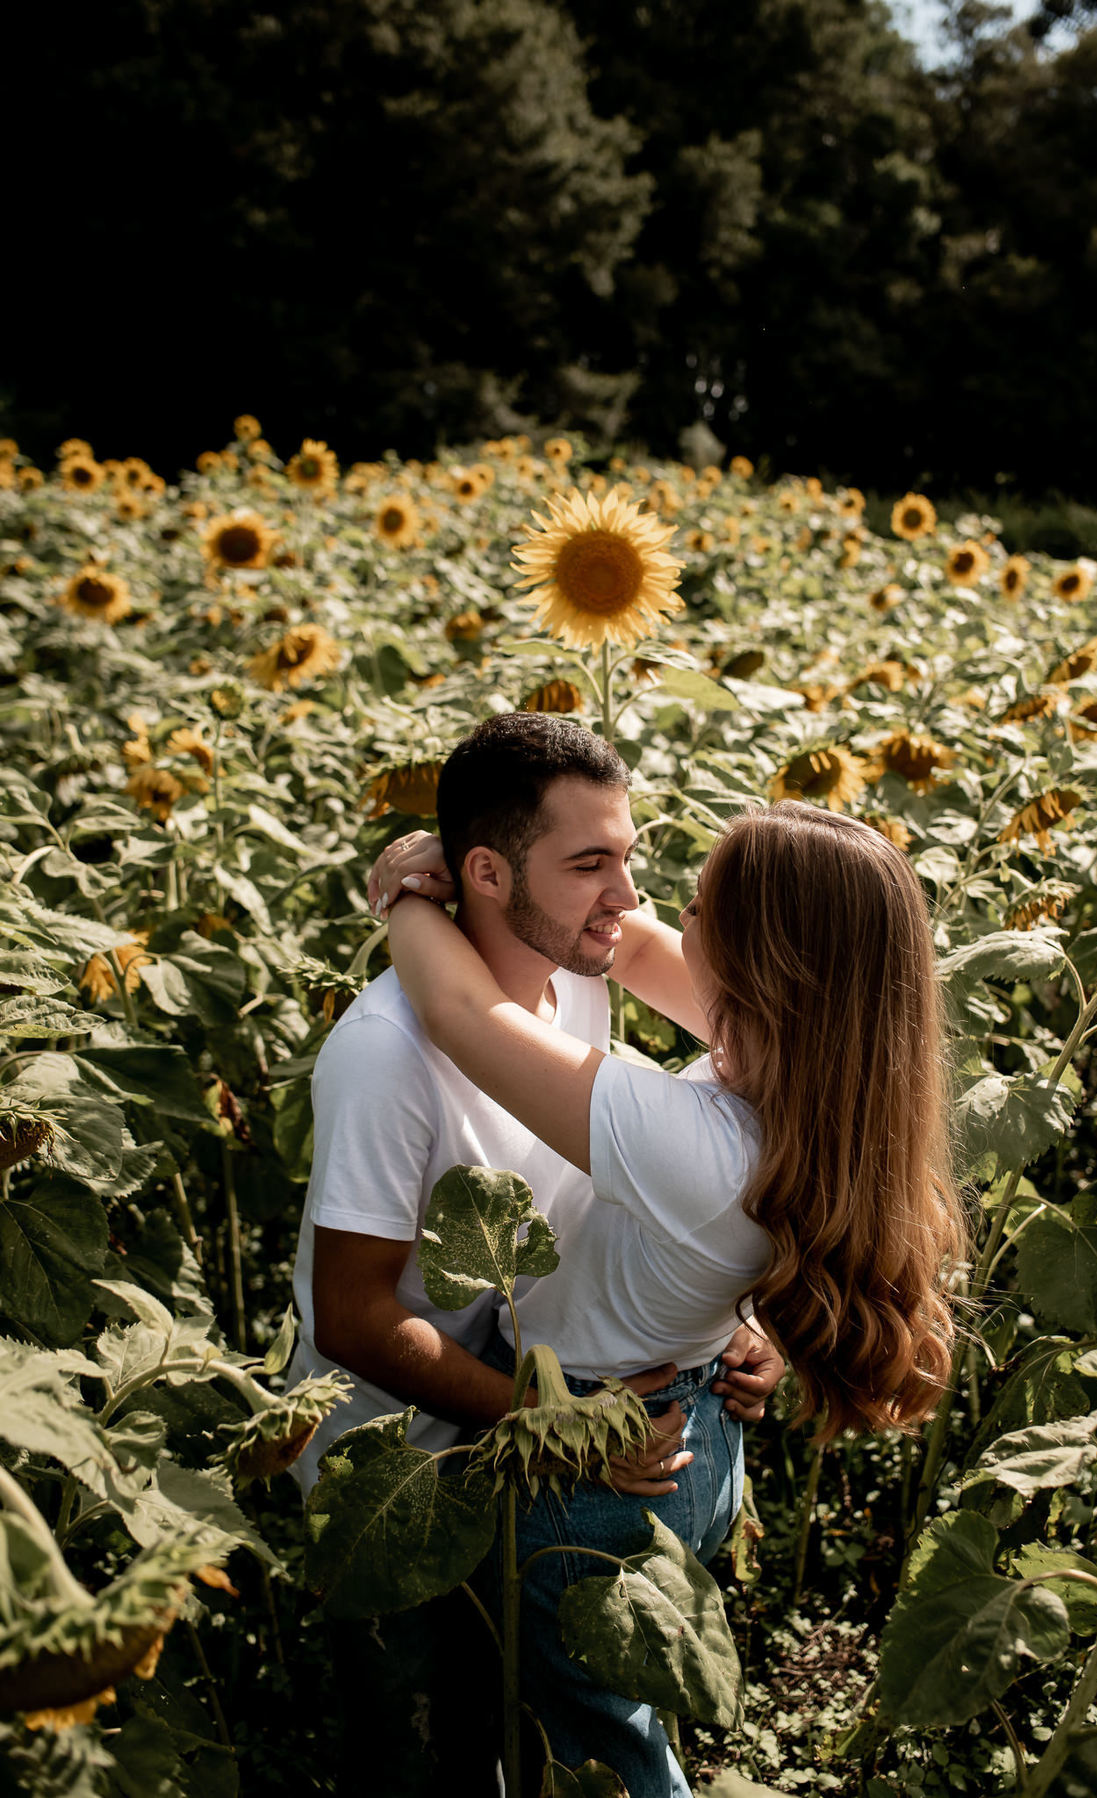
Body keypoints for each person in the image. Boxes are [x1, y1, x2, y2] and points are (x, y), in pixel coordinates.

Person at [382, 796, 969, 1797]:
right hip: (694, 1425)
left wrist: (400, 887)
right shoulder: (829, 1079)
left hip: (602, 1462)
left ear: (759, 965)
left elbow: (460, 1013)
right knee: (613, 1708)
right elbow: (639, 951)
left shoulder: (692, 1143)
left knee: (599, 1758)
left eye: (699, 907)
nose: (661, 916)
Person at [286, 713, 782, 1795]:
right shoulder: (384, 1054)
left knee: (558, 1738)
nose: (627, 895)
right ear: (489, 873)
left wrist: (740, 1320)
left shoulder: (586, 970)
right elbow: (354, 1317)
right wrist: (547, 1420)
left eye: (631, 859)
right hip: (409, 1453)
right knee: (430, 1751)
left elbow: (742, 1128)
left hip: (549, 1431)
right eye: (589, 863)